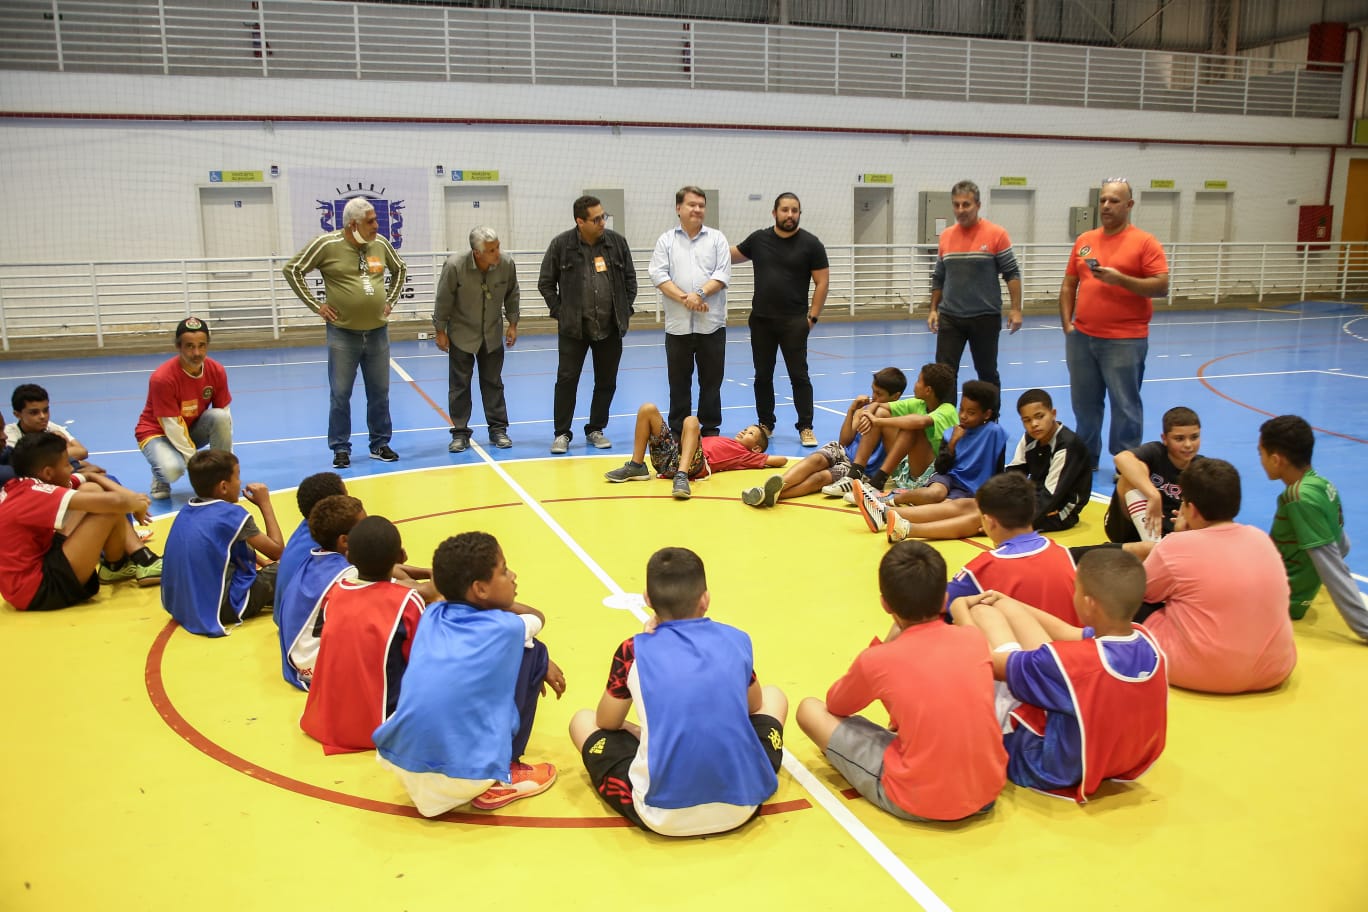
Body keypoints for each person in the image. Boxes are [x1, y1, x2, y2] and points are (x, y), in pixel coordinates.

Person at [568, 547, 787, 836]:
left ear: (647, 600)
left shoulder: (632, 650)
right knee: (774, 696)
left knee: (582, 720)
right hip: (743, 806)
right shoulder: (736, 639)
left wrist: (639, 728)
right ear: (705, 599)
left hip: (661, 816)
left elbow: (607, 722)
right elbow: (754, 704)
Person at [797, 541, 1006, 822]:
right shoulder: (973, 639)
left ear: (885, 603)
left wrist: (878, 650)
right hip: (987, 792)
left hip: (918, 800)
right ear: (943, 598)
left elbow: (837, 704)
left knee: (809, 709)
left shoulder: (878, 660)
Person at [951, 548, 1167, 803]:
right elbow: (1066, 631)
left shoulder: (1070, 665)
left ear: (1088, 603)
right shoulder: (1147, 641)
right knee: (1000, 614)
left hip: (1048, 768)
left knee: (982, 618)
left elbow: (988, 661)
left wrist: (959, 610)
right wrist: (1007, 601)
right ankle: (995, 608)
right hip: (1118, 760)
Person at [374, 531, 566, 816]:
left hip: (403, 760)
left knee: (520, 648)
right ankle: (504, 775)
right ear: (480, 589)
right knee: (535, 650)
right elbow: (537, 617)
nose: (513, 576)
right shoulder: (504, 627)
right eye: (503, 571)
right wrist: (539, 655)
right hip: (463, 776)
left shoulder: (432, 614)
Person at [1141, 458, 1297, 692]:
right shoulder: (1260, 538)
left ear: (1190, 509)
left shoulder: (1175, 546)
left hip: (1203, 673)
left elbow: (1140, 592)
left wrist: (1178, 537)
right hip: (1275, 669)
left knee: (1125, 600)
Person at [283, 197, 407, 468]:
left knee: (380, 392)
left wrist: (390, 300)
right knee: (340, 394)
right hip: (343, 335)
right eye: (371, 221)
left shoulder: (381, 244)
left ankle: (380, 443)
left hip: (377, 333)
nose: (377, 225)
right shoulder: (326, 244)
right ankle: (340, 448)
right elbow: (292, 269)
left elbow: (400, 269)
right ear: (353, 224)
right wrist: (317, 306)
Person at [882, 389, 1091, 543]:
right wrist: (993, 499)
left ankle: (909, 529)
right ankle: (883, 514)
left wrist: (1008, 517)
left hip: (1058, 512)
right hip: (1032, 500)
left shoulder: (1067, 445)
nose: (1034, 424)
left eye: (1039, 417)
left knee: (982, 518)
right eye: (1027, 420)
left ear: (1053, 413)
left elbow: (1050, 497)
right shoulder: (1030, 438)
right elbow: (1013, 473)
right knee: (969, 503)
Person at [1059, 178, 1170, 468]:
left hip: (1125, 339)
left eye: (1114, 201)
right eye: (1104, 200)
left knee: (1125, 405)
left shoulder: (1145, 242)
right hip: (1082, 337)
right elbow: (1069, 283)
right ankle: (1086, 458)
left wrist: (1121, 280)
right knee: (1084, 405)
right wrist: (1067, 324)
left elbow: (1161, 286)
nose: (1107, 206)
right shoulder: (1084, 241)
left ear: (1129, 205)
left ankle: (1126, 462)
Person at [299, 515, 426, 754]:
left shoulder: (335, 593)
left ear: (348, 556)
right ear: (400, 557)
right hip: (382, 725)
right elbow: (422, 662)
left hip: (328, 720)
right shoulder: (407, 601)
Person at [0, 431, 161, 611]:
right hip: (37, 590)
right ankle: (134, 560)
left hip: (31, 574)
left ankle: (116, 566)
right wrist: (138, 504)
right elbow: (116, 502)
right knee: (107, 509)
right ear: (47, 472)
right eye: (66, 464)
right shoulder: (33, 494)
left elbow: (89, 477)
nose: (71, 469)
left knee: (91, 490)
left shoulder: (21, 485)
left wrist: (128, 496)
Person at [538, 195, 638, 455]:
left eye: (603, 216)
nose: (602, 221)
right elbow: (546, 283)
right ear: (579, 221)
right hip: (574, 329)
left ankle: (596, 428)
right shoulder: (561, 245)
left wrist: (624, 310)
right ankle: (561, 433)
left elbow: (630, 280)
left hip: (610, 327)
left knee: (606, 381)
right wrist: (561, 312)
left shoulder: (617, 243)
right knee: (566, 380)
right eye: (596, 219)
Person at [731, 192, 830, 446]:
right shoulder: (759, 240)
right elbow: (731, 255)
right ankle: (765, 423)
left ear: (799, 213)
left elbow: (822, 281)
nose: (790, 215)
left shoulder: (811, 244)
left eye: (794, 210)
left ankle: (806, 426)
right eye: (785, 210)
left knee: (799, 375)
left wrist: (813, 317)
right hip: (761, 321)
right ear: (774, 213)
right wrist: (705, 246)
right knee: (762, 375)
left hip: (794, 322)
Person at [1258, 415, 1368, 641]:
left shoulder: (1297, 497)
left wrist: (1365, 628)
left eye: (1261, 453)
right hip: (1296, 588)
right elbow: (1342, 544)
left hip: (1285, 599)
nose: (1260, 459)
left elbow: (1332, 568)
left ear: (1277, 459)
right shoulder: (1321, 484)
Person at [741, 367, 905, 508]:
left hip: (862, 469)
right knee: (815, 460)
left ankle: (771, 496)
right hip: (843, 452)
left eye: (879, 394)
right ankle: (768, 489)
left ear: (896, 396)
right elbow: (844, 441)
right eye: (873, 391)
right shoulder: (866, 409)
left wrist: (877, 412)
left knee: (820, 478)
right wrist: (852, 411)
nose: (873, 397)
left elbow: (893, 453)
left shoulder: (893, 418)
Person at [161, 450, 283, 637]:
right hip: (223, 607)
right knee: (291, 565)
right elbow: (278, 551)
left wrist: (263, 563)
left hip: (182, 604)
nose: (240, 482)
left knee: (268, 567)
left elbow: (225, 546)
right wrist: (265, 503)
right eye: (238, 476)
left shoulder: (187, 510)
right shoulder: (231, 515)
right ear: (224, 487)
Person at [856, 380, 1006, 529]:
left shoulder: (994, 433)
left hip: (971, 488)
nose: (963, 416)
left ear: (986, 414)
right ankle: (892, 498)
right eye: (961, 410)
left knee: (947, 507)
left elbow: (999, 471)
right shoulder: (951, 433)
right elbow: (941, 468)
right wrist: (953, 443)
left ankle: (884, 513)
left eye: (971, 413)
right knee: (936, 493)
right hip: (949, 477)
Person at [648, 187, 732, 439]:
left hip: (712, 326)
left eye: (701, 205)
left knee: (711, 383)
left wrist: (700, 295)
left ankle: (709, 430)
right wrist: (687, 299)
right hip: (678, 327)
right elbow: (658, 275)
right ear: (678, 208)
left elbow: (722, 274)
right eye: (691, 205)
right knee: (678, 383)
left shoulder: (717, 239)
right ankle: (678, 430)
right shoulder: (666, 241)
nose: (697, 209)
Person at [943, 472, 1079, 625]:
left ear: (989, 522)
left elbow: (935, 603)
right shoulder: (1064, 554)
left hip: (1020, 647)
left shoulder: (986, 566)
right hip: (1073, 644)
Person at [927, 180, 1023, 391]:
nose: (961, 210)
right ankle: (946, 420)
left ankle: (991, 420)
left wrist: (1016, 309)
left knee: (986, 372)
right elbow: (939, 276)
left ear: (978, 205)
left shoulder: (997, 234)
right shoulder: (946, 236)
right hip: (950, 317)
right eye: (956, 205)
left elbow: (1012, 273)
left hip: (985, 317)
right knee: (944, 373)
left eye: (966, 204)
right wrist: (933, 309)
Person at [433, 226, 519, 453]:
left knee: (493, 383)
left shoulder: (507, 265)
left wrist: (513, 324)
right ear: (477, 253)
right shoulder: (454, 266)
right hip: (461, 333)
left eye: (498, 247)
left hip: (492, 334)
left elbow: (512, 293)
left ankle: (498, 429)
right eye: (491, 250)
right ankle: (460, 433)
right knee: (459, 385)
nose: (497, 253)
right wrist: (440, 330)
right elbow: (443, 299)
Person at [134, 317, 233, 499]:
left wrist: (225, 468)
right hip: (157, 433)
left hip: (189, 429)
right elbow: (171, 425)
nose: (196, 352)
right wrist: (198, 467)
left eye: (202, 345)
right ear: (178, 347)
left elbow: (225, 416)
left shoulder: (216, 371)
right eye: (189, 346)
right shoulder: (163, 378)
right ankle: (159, 475)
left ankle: (221, 478)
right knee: (173, 470)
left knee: (219, 417)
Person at [603, 402, 786, 500]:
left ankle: (681, 477)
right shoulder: (726, 440)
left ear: (756, 448)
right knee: (647, 409)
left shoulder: (745, 455)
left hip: (694, 466)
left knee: (691, 420)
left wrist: (757, 456)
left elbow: (781, 460)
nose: (744, 431)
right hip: (672, 457)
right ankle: (637, 466)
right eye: (745, 429)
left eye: (750, 433)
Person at [825, 362, 958, 496]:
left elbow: (920, 421)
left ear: (928, 390)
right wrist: (869, 413)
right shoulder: (918, 403)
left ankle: (877, 483)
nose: (915, 385)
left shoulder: (948, 410)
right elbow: (880, 405)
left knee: (912, 427)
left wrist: (877, 421)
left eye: (918, 381)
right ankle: (854, 474)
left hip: (930, 475)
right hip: (905, 468)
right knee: (880, 412)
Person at [276, 494, 366, 690]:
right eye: (364, 527)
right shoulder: (348, 573)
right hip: (317, 669)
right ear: (345, 541)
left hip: (299, 661)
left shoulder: (315, 559)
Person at [1105, 406, 1203, 544]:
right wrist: (1153, 494)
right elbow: (1121, 458)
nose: (1188, 445)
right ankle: (1154, 545)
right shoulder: (1155, 452)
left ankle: (1164, 546)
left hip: (1174, 532)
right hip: (1129, 528)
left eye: (1194, 437)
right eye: (1179, 439)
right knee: (1130, 474)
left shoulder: (1201, 466)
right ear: (1165, 439)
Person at [276, 472, 348, 601]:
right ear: (333, 509)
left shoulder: (308, 526)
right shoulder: (325, 541)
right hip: (306, 617)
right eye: (347, 499)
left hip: (285, 615)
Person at [9, 383, 103, 474]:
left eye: (45, 410)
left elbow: (82, 452)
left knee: (102, 474)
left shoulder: (50, 426)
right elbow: (29, 464)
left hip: (63, 473)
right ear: (17, 414)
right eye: (34, 413)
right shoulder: (9, 436)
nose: (43, 416)